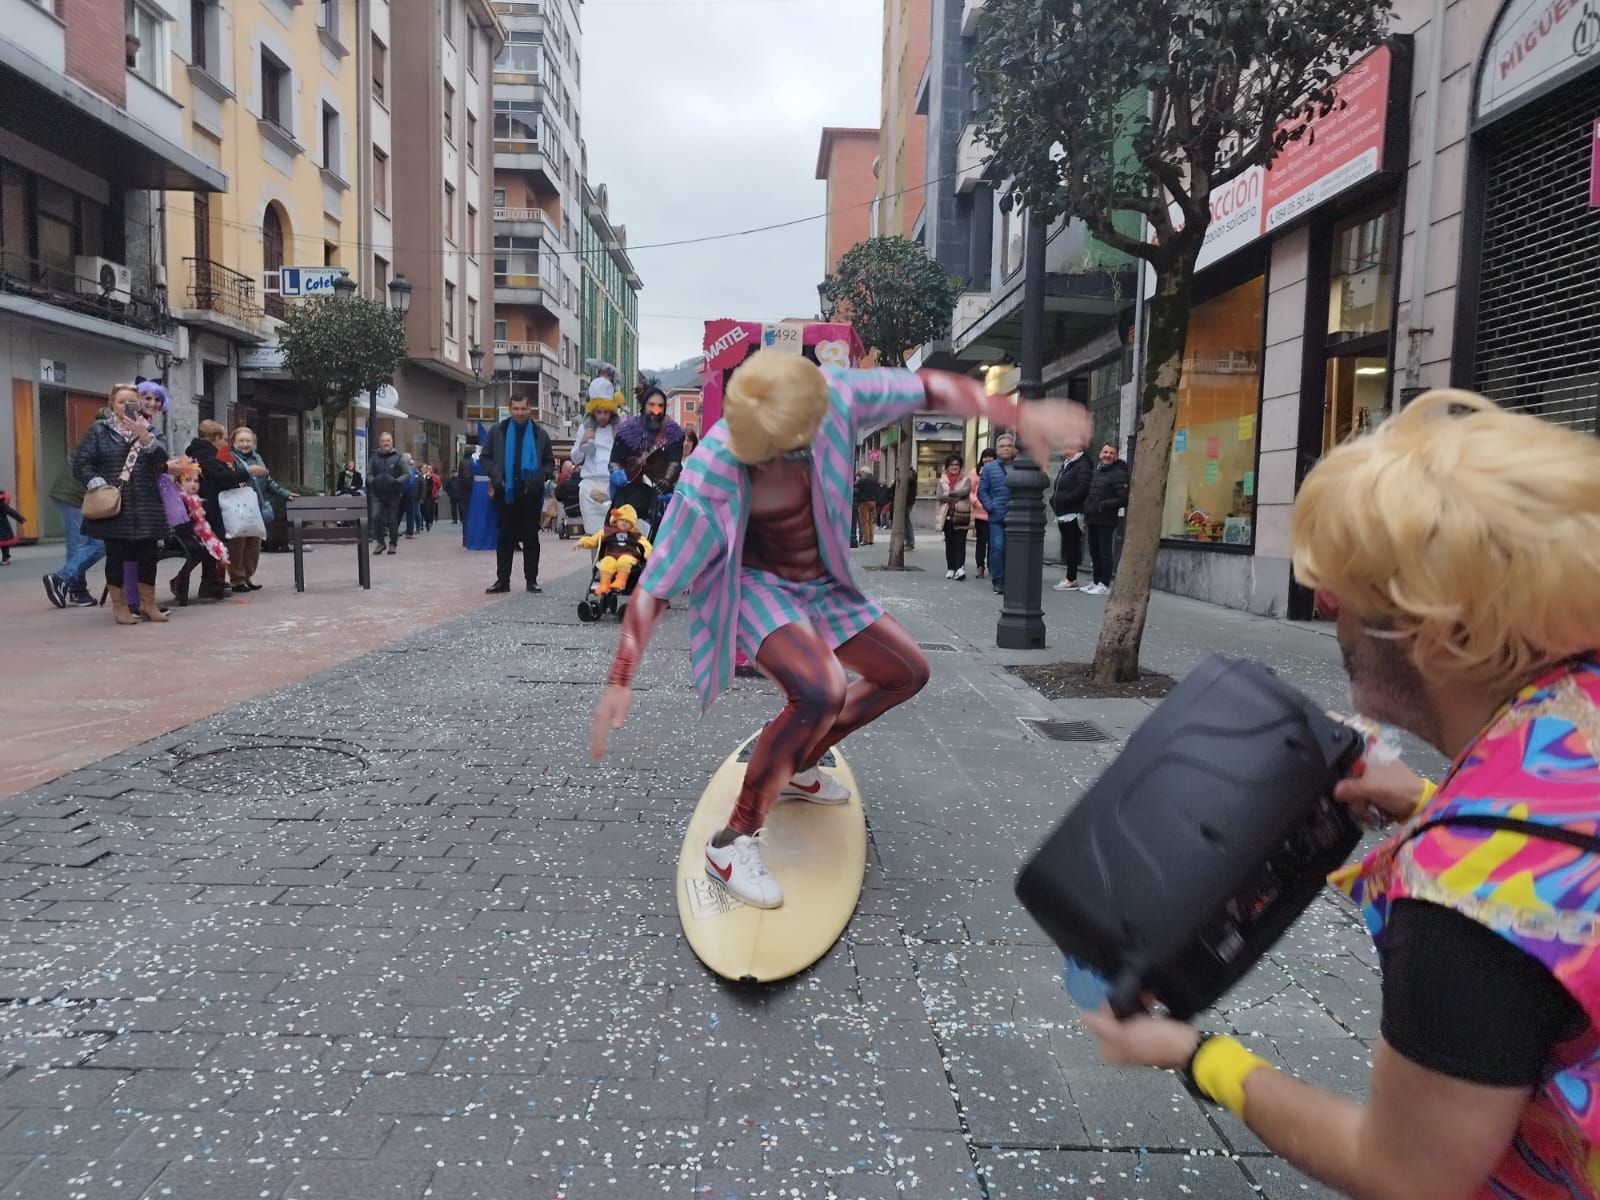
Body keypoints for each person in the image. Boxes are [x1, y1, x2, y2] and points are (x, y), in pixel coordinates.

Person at [1081, 389, 1600, 1200]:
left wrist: (1196, 1055)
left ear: (1441, 634)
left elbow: (1405, 1171)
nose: (1331, 619)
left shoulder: (1464, 892)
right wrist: (1432, 798)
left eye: (1344, 595)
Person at [588, 351, 1088, 908]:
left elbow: (925, 386)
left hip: (823, 583)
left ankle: (799, 765)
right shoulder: (712, 472)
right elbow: (656, 585)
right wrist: (620, 677)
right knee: (820, 689)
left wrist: (1017, 413)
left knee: (906, 672)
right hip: (754, 587)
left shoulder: (835, 397)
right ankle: (732, 841)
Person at [73, 383, 170, 625]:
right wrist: (97, 483)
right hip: (115, 505)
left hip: (147, 504)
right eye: (121, 402)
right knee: (116, 556)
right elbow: (82, 463)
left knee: (148, 556)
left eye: (132, 402)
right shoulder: (99, 431)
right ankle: (120, 607)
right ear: (112, 404)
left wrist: (144, 436)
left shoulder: (151, 430)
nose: (127, 406)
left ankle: (149, 605)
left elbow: (161, 460)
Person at [479, 394, 554, 594]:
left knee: (531, 537)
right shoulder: (498, 431)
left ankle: (532, 580)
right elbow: (485, 458)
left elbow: (549, 462)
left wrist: (541, 476)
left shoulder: (540, 434)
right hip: (505, 491)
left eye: (523, 409)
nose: (520, 413)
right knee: (505, 537)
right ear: (509, 409)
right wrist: (495, 475)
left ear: (530, 410)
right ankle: (502, 580)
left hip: (530, 493)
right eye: (516, 409)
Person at [41, 426, 111, 608]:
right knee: (86, 544)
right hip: (74, 497)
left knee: (94, 543)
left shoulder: (99, 436)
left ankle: (72, 587)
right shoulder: (102, 438)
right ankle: (72, 587)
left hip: (82, 497)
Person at [183, 420, 251, 602]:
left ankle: (215, 583)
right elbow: (224, 477)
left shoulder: (202, 453)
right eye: (222, 438)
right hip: (209, 507)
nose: (224, 443)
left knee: (215, 544)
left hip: (209, 505)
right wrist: (248, 472)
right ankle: (210, 584)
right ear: (216, 438)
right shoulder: (206, 454)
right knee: (215, 544)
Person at [609, 386, 684, 538]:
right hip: (629, 494)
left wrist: (666, 481)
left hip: (661, 495)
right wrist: (617, 473)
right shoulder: (626, 431)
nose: (656, 410)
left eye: (660, 406)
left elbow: (674, 462)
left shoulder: (673, 433)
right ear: (644, 406)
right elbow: (615, 460)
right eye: (652, 405)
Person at [228, 426, 292, 593]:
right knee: (238, 543)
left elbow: (267, 481)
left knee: (253, 544)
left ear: (253, 443)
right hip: (238, 507)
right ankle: (237, 579)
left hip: (256, 506)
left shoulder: (257, 458)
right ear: (233, 442)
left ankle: (248, 575)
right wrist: (247, 472)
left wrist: (284, 494)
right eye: (241, 440)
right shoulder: (228, 457)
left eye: (248, 441)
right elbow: (227, 478)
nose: (244, 444)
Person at [570, 381, 621, 535]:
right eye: (599, 412)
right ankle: (594, 561)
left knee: (614, 534)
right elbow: (575, 459)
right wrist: (583, 442)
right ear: (593, 411)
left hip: (613, 487)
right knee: (594, 536)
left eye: (606, 412)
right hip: (590, 486)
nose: (603, 416)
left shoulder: (618, 429)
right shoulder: (584, 428)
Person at [1081, 442, 1128, 596]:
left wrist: (1102, 505)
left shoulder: (1119, 473)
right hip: (1092, 518)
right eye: (1105, 452)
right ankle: (1095, 581)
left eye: (1111, 453)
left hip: (1106, 519)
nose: (1107, 455)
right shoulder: (1097, 471)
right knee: (1094, 551)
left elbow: (1124, 499)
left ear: (1116, 456)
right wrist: (1088, 506)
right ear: (1100, 453)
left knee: (1104, 552)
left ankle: (1104, 583)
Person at [977, 434, 1016, 594]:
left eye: (1009, 445)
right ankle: (998, 580)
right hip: (997, 516)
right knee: (997, 548)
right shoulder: (989, 468)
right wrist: (990, 506)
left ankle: (1013, 579)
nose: (1006, 448)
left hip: (1017, 515)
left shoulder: (1020, 466)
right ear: (997, 449)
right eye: (1002, 446)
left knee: (1014, 550)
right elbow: (982, 491)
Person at [1050, 446, 1092, 592]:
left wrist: (1066, 500)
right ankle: (1070, 577)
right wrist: (1054, 499)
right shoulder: (1068, 463)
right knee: (1069, 545)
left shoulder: (1082, 464)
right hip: (1063, 510)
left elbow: (1083, 487)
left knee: (1072, 544)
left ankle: (1071, 578)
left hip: (1072, 511)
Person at [367, 433, 407, 555]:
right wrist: (372, 481)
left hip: (393, 494)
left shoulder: (399, 457)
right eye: (383, 441)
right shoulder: (374, 457)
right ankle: (380, 542)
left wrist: (396, 481)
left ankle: (393, 543)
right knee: (375, 517)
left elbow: (406, 474)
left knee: (392, 519)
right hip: (377, 493)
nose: (386, 443)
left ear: (392, 442)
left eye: (388, 441)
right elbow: (369, 473)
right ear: (379, 443)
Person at [934, 454, 971, 581]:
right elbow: (939, 496)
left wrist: (950, 493)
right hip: (947, 515)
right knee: (950, 543)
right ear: (947, 467)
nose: (954, 467)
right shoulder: (942, 480)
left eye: (957, 465)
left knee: (960, 542)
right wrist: (956, 496)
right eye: (952, 465)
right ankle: (951, 568)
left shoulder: (966, 478)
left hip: (961, 515)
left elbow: (965, 491)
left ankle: (960, 568)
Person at [463, 443, 498, 552]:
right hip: (487, 485)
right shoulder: (490, 458)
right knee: (488, 515)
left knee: (476, 514)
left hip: (476, 488)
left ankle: (474, 540)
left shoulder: (473, 459)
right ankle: (489, 540)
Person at [969, 447, 995, 580]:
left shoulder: (998, 470)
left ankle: (992, 566)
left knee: (994, 542)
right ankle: (980, 566)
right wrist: (977, 502)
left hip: (995, 513)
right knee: (981, 542)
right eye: (985, 456)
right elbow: (970, 491)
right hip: (980, 513)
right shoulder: (975, 472)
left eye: (990, 456)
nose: (987, 459)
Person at [853, 469, 878, 547]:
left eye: (861, 473)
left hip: (864, 502)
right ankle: (871, 539)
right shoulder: (874, 480)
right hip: (873, 501)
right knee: (870, 521)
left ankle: (866, 539)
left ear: (864, 472)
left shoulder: (863, 480)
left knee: (864, 521)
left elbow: (855, 486)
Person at [0, 489, 25, 564]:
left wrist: (20, 518)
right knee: (4, 544)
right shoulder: (2, 504)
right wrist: (20, 518)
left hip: (3, 527)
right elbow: (11, 511)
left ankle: (5, 558)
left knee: (4, 544)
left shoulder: (2, 504)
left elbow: (10, 511)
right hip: (3, 527)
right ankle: (5, 558)